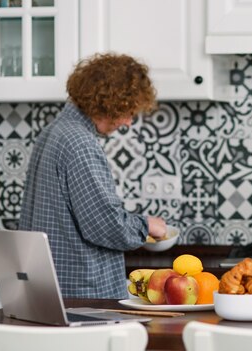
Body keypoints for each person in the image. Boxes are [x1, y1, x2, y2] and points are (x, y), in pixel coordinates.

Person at [19, 53, 167, 299]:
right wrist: (146, 224)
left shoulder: (53, 131)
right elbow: (105, 226)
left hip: (51, 289)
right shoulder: (80, 144)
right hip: (84, 296)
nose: (129, 122)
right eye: (128, 111)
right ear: (108, 104)